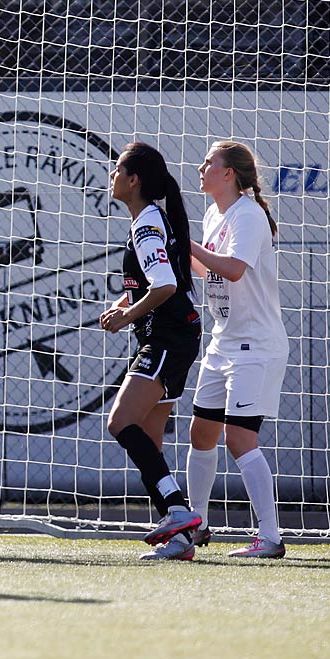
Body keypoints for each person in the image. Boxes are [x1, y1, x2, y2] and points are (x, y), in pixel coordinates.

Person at [97, 141, 206, 561]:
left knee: (120, 422)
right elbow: (157, 283)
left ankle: (177, 511)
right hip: (175, 336)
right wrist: (125, 305)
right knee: (151, 441)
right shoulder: (151, 220)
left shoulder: (145, 225)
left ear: (133, 179)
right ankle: (179, 539)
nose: (112, 176)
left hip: (166, 339)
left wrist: (127, 317)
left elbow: (166, 286)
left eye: (118, 170)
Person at [187, 141, 289, 559]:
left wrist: (187, 243)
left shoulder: (248, 215)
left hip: (256, 345)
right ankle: (194, 525)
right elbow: (209, 269)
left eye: (209, 161)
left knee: (240, 437)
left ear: (228, 173)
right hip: (223, 340)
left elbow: (231, 267)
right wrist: (179, 248)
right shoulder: (215, 213)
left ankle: (271, 537)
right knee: (201, 433)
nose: (201, 166)